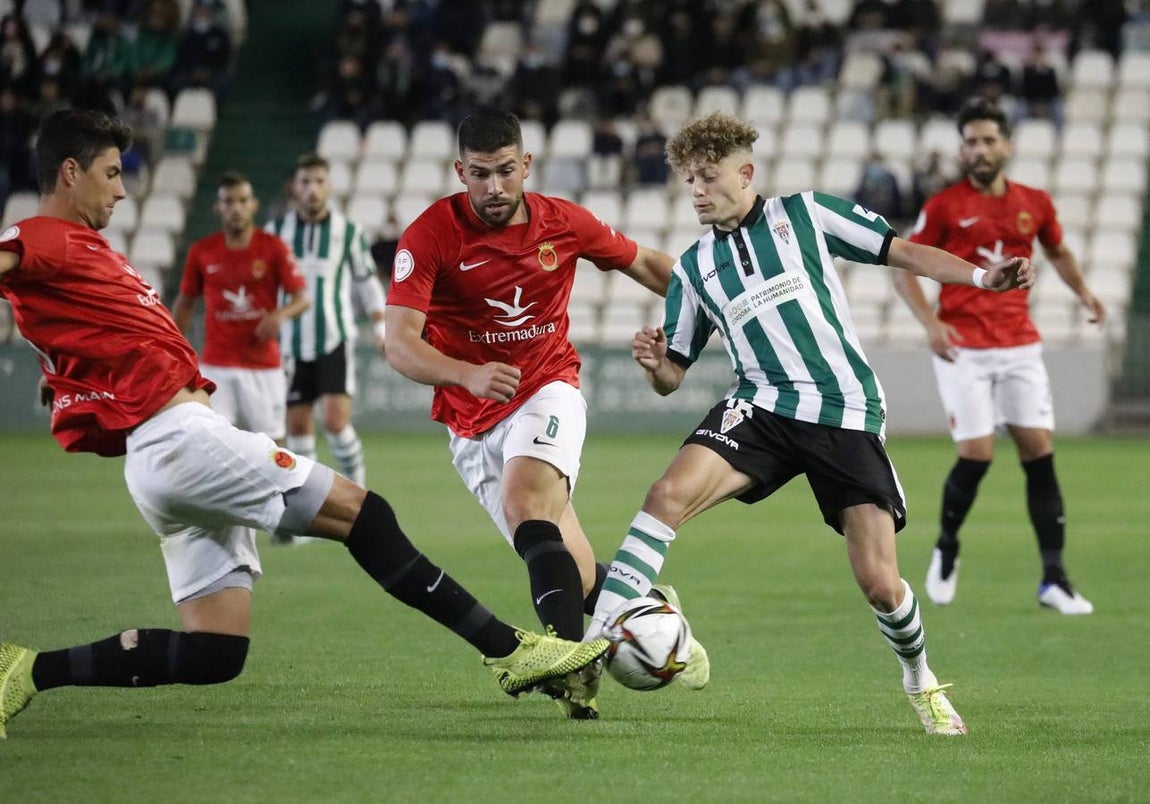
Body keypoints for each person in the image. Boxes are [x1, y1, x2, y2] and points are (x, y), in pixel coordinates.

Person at [0, 109, 608, 740]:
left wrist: (68, 373)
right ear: (69, 172)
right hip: (180, 439)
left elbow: (76, 326)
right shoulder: (43, 235)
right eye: (110, 172)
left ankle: (25, 672)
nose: (122, 189)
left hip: (157, 463)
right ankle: (512, 650)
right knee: (364, 515)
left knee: (216, 652)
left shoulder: (81, 253)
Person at [586, 111, 1038, 736]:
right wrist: (654, 363)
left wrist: (985, 278)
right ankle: (593, 644)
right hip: (762, 407)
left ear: (745, 173)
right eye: (689, 180)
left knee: (881, 584)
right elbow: (673, 377)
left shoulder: (805, 214)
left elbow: (903, 251)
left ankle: (920, 679)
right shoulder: (692, 270)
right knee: (665, 496)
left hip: (841, 409)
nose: (696, 191)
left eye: (708, 177)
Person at [385, 108, 674, 719]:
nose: (495, 189)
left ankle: (570, 666)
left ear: (527, 166)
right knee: (571, 564)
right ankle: (662, 622)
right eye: (481, 175)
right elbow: (399, 343)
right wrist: (466, 374)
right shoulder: (430, 234)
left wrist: (717, 308)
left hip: (548, 386)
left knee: (526, 503)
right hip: (470, 419)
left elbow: (647, 264)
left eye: (507, 172)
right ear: (460, 171)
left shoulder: (562, 222)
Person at [892, 97, 1104, 615]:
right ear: (961, 150)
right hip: (963, 346)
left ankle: (1053, 577)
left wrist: (1084, 293)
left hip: (1018, 344)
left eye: (988, 140)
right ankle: (946, 546)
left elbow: (1057, 251)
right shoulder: (944, 206)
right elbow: (904, 265)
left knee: (1038, 452)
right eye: (970, 141)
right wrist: (931, 321)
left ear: (1007, 146)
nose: (979, 149)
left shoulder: (1034, 201)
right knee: (978, 453)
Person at [266, 153, 385, 497]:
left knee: (335, 422)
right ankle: (307, 505)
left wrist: (380, 325)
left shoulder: (348, 231)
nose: (312, 190)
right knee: (298, 428)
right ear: (294, 187)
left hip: (334, 338)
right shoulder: (275, 233)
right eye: (305, 182)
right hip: (290, 342)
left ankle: (359, 493)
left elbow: (367, 281)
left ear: (329, 186)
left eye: (319, 182)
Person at [172, 172, 307, 442]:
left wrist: (280, 314)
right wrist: (173, 349)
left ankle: (277, 487)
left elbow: (301, 298)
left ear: (253, 205)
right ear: (218, 207)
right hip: (216, 365)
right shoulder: (202, 251)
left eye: (242, 200)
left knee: (274, 446)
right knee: (215, 444)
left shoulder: (273, 248)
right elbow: (185, 302)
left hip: (263, 365)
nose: (236, 208)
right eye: (229, 202)